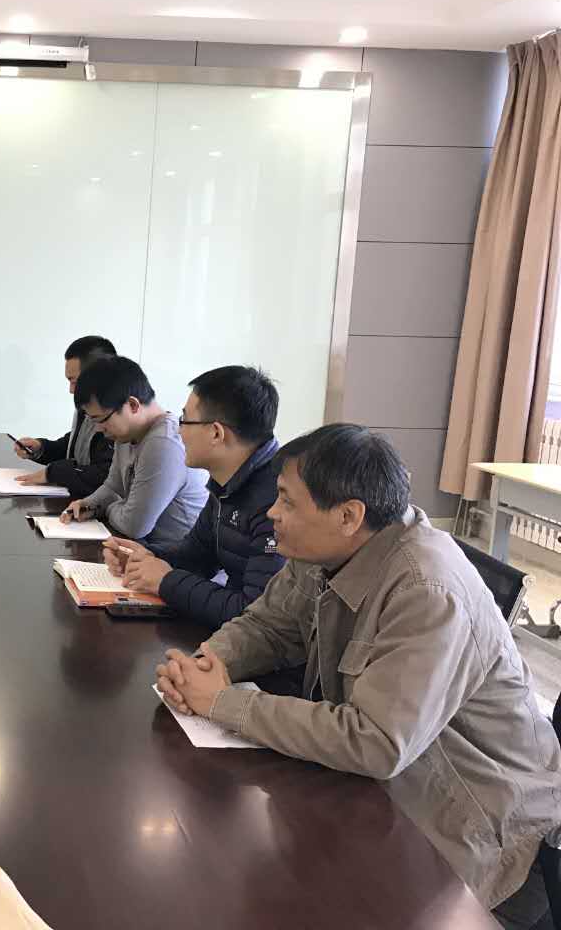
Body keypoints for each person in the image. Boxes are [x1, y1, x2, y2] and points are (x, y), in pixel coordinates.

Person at [154, 424, 561, 925]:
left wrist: (223, 703)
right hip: (387, 797)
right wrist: (208, 664)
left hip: (477, 841)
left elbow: (376, 741)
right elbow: (272, 624)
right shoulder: (325, 550)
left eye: (286, 501)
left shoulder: (426, 591)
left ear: (348, 515)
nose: (272, 513)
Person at [103, 365, 284, 627]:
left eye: (185, 420)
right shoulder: (227, 481)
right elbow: (196, 555)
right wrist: (145, 557)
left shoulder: (278, 501)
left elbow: (253, 614)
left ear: (216, 433)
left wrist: (165, 580)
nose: (179, 431)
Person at [61, 355, 207, 550]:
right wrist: (89, 504)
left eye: (100, 419)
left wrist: (108, 507)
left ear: (132, 405)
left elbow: (134, 526)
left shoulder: (163, 444)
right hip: (142, 550)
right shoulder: (126, 434)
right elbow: (113, 487)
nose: (98, 429)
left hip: (173, 559)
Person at [13, 335, 117, 497]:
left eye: (75, 382)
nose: (71, 390)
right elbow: (74, 450)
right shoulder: (86, 407)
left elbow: (104, 475)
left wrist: (52, 473)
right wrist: (41, 448)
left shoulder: (119, 417)